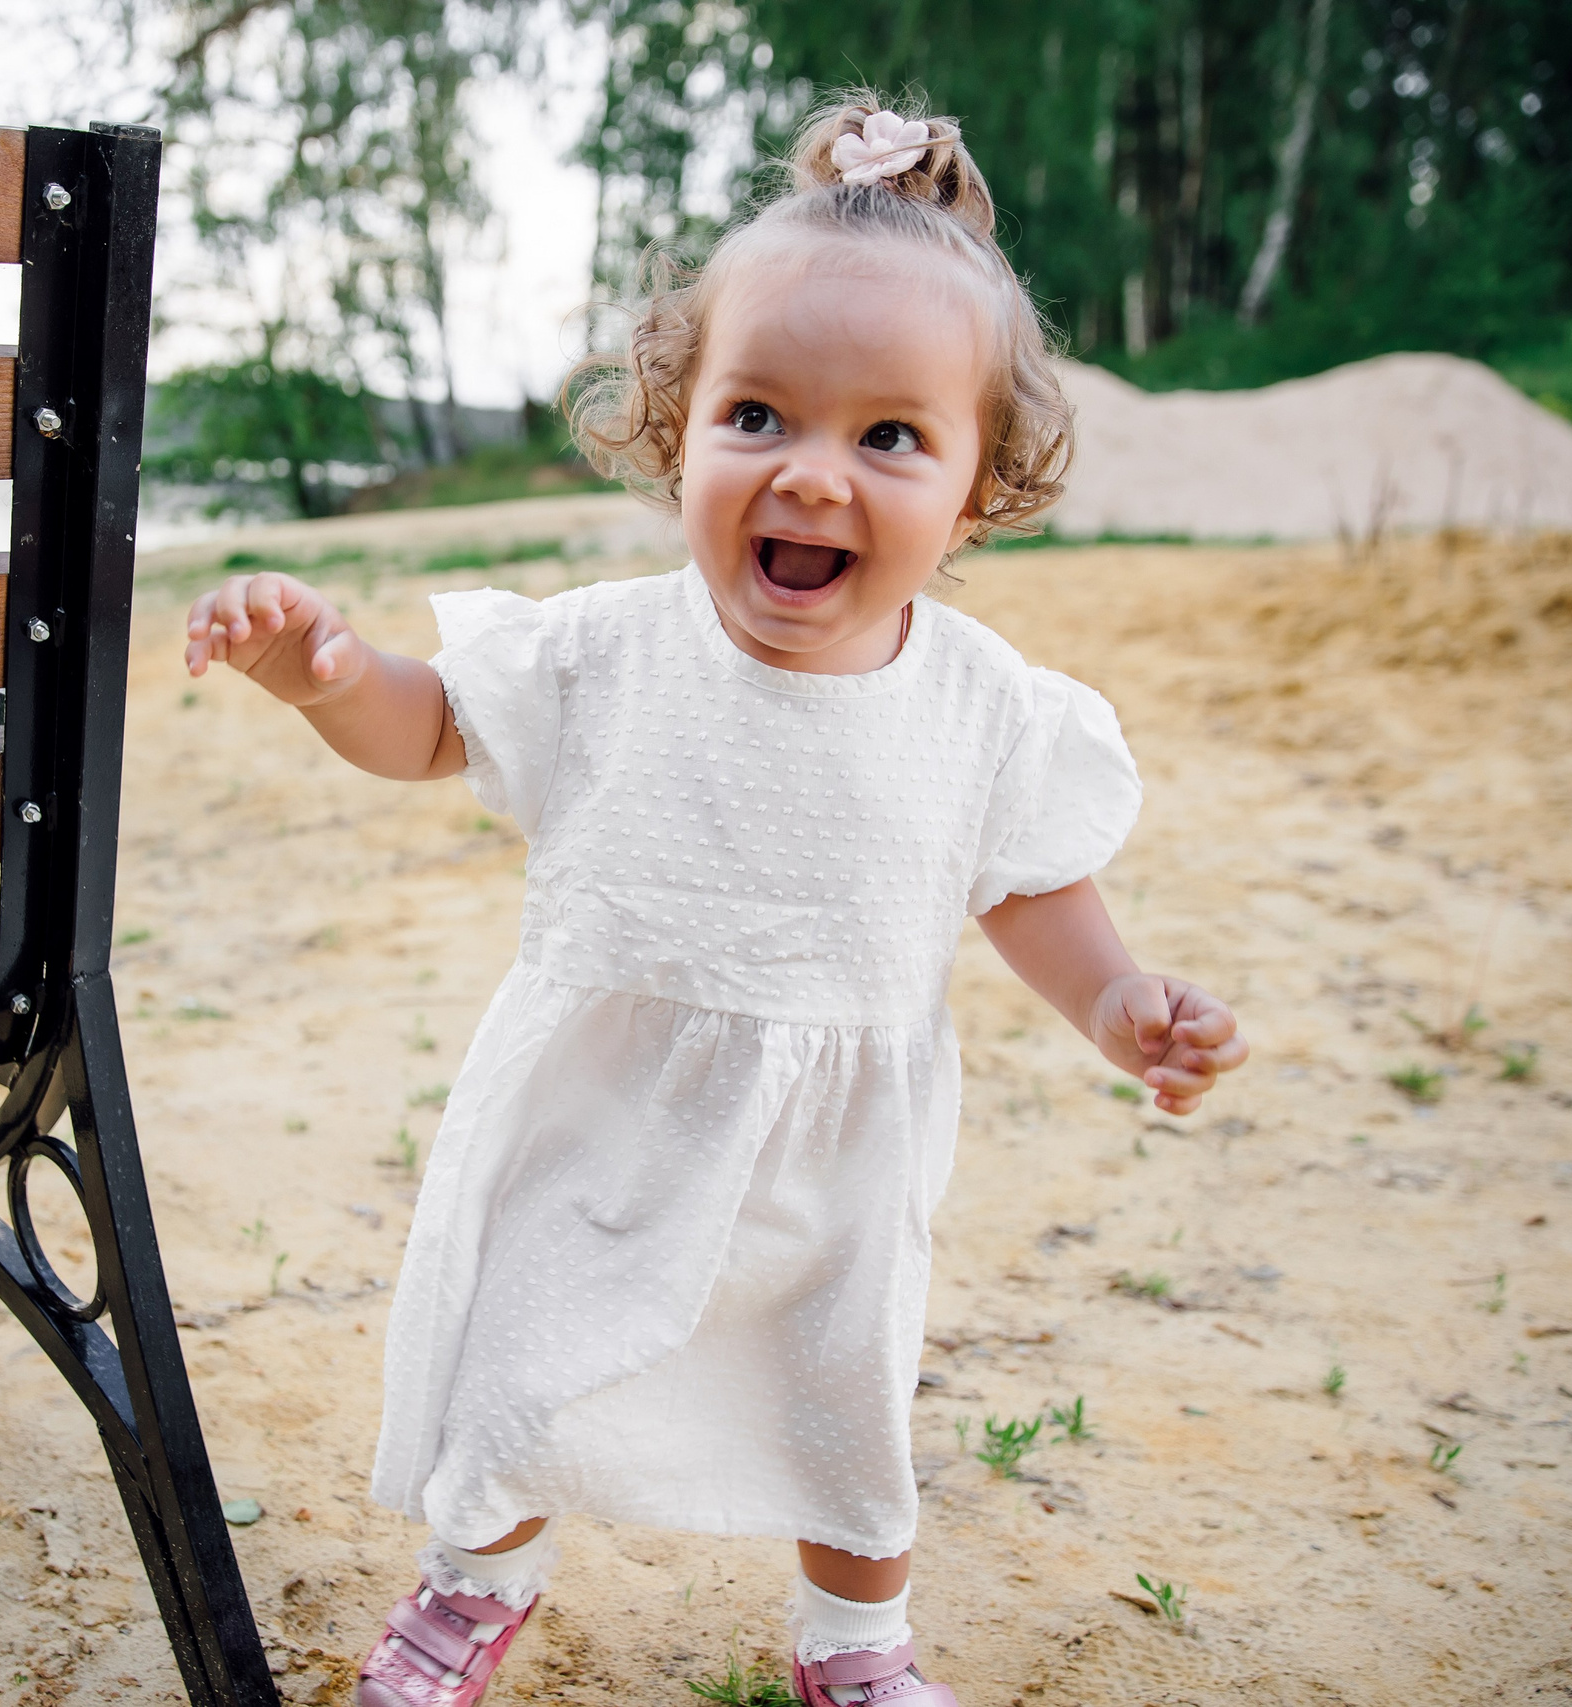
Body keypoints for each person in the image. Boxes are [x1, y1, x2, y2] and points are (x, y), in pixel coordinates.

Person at [183, 90, 1250, 1707]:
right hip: (605, 1111)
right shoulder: (605, 649)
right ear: (681, 432)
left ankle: (856, 1646)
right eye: (760, 416)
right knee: (523, 1362)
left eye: (890, 438)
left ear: (976, 495)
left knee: (845, 1399)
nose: (813, 476)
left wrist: (1118, 1002)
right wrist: (325, 673)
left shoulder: (985, 706)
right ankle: (476, 1586)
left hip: (846, 1140)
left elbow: (1031, 887)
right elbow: (430, 725)